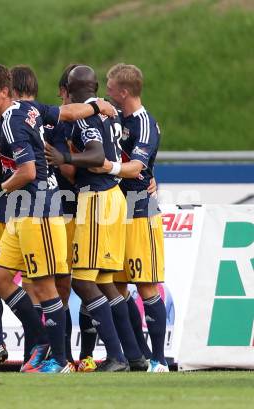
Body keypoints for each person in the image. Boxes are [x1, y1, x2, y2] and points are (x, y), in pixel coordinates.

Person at [0, 64, 116, 372]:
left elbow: (27, 171)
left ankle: (61, 360)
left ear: (4, 92)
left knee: (45, 286)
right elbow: (65, 113)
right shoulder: (28, 110)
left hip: (39, 210)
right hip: (22, 212)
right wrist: (94, 105)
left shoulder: (12, 123)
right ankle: (40, 339)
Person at [45, 65, 134, 372]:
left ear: (69, 91)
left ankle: (117, 357)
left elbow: (96, 155)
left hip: (97, 199)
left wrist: (64, 157)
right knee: (106, 282)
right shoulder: (110, 114)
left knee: (83, 282)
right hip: (111, 196)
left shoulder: (85, 120)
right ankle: (134, 355)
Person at [105, 63, 168, 372]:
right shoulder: (118, 119)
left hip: (141, 211)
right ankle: (139, 354)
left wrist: (105, 167)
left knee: (146, 285)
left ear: (124, 92)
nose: (107, 91)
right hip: (118, 212)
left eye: (110, 87)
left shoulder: (145, 123)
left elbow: (136, 168)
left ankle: (160, 359)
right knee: (117, 286)